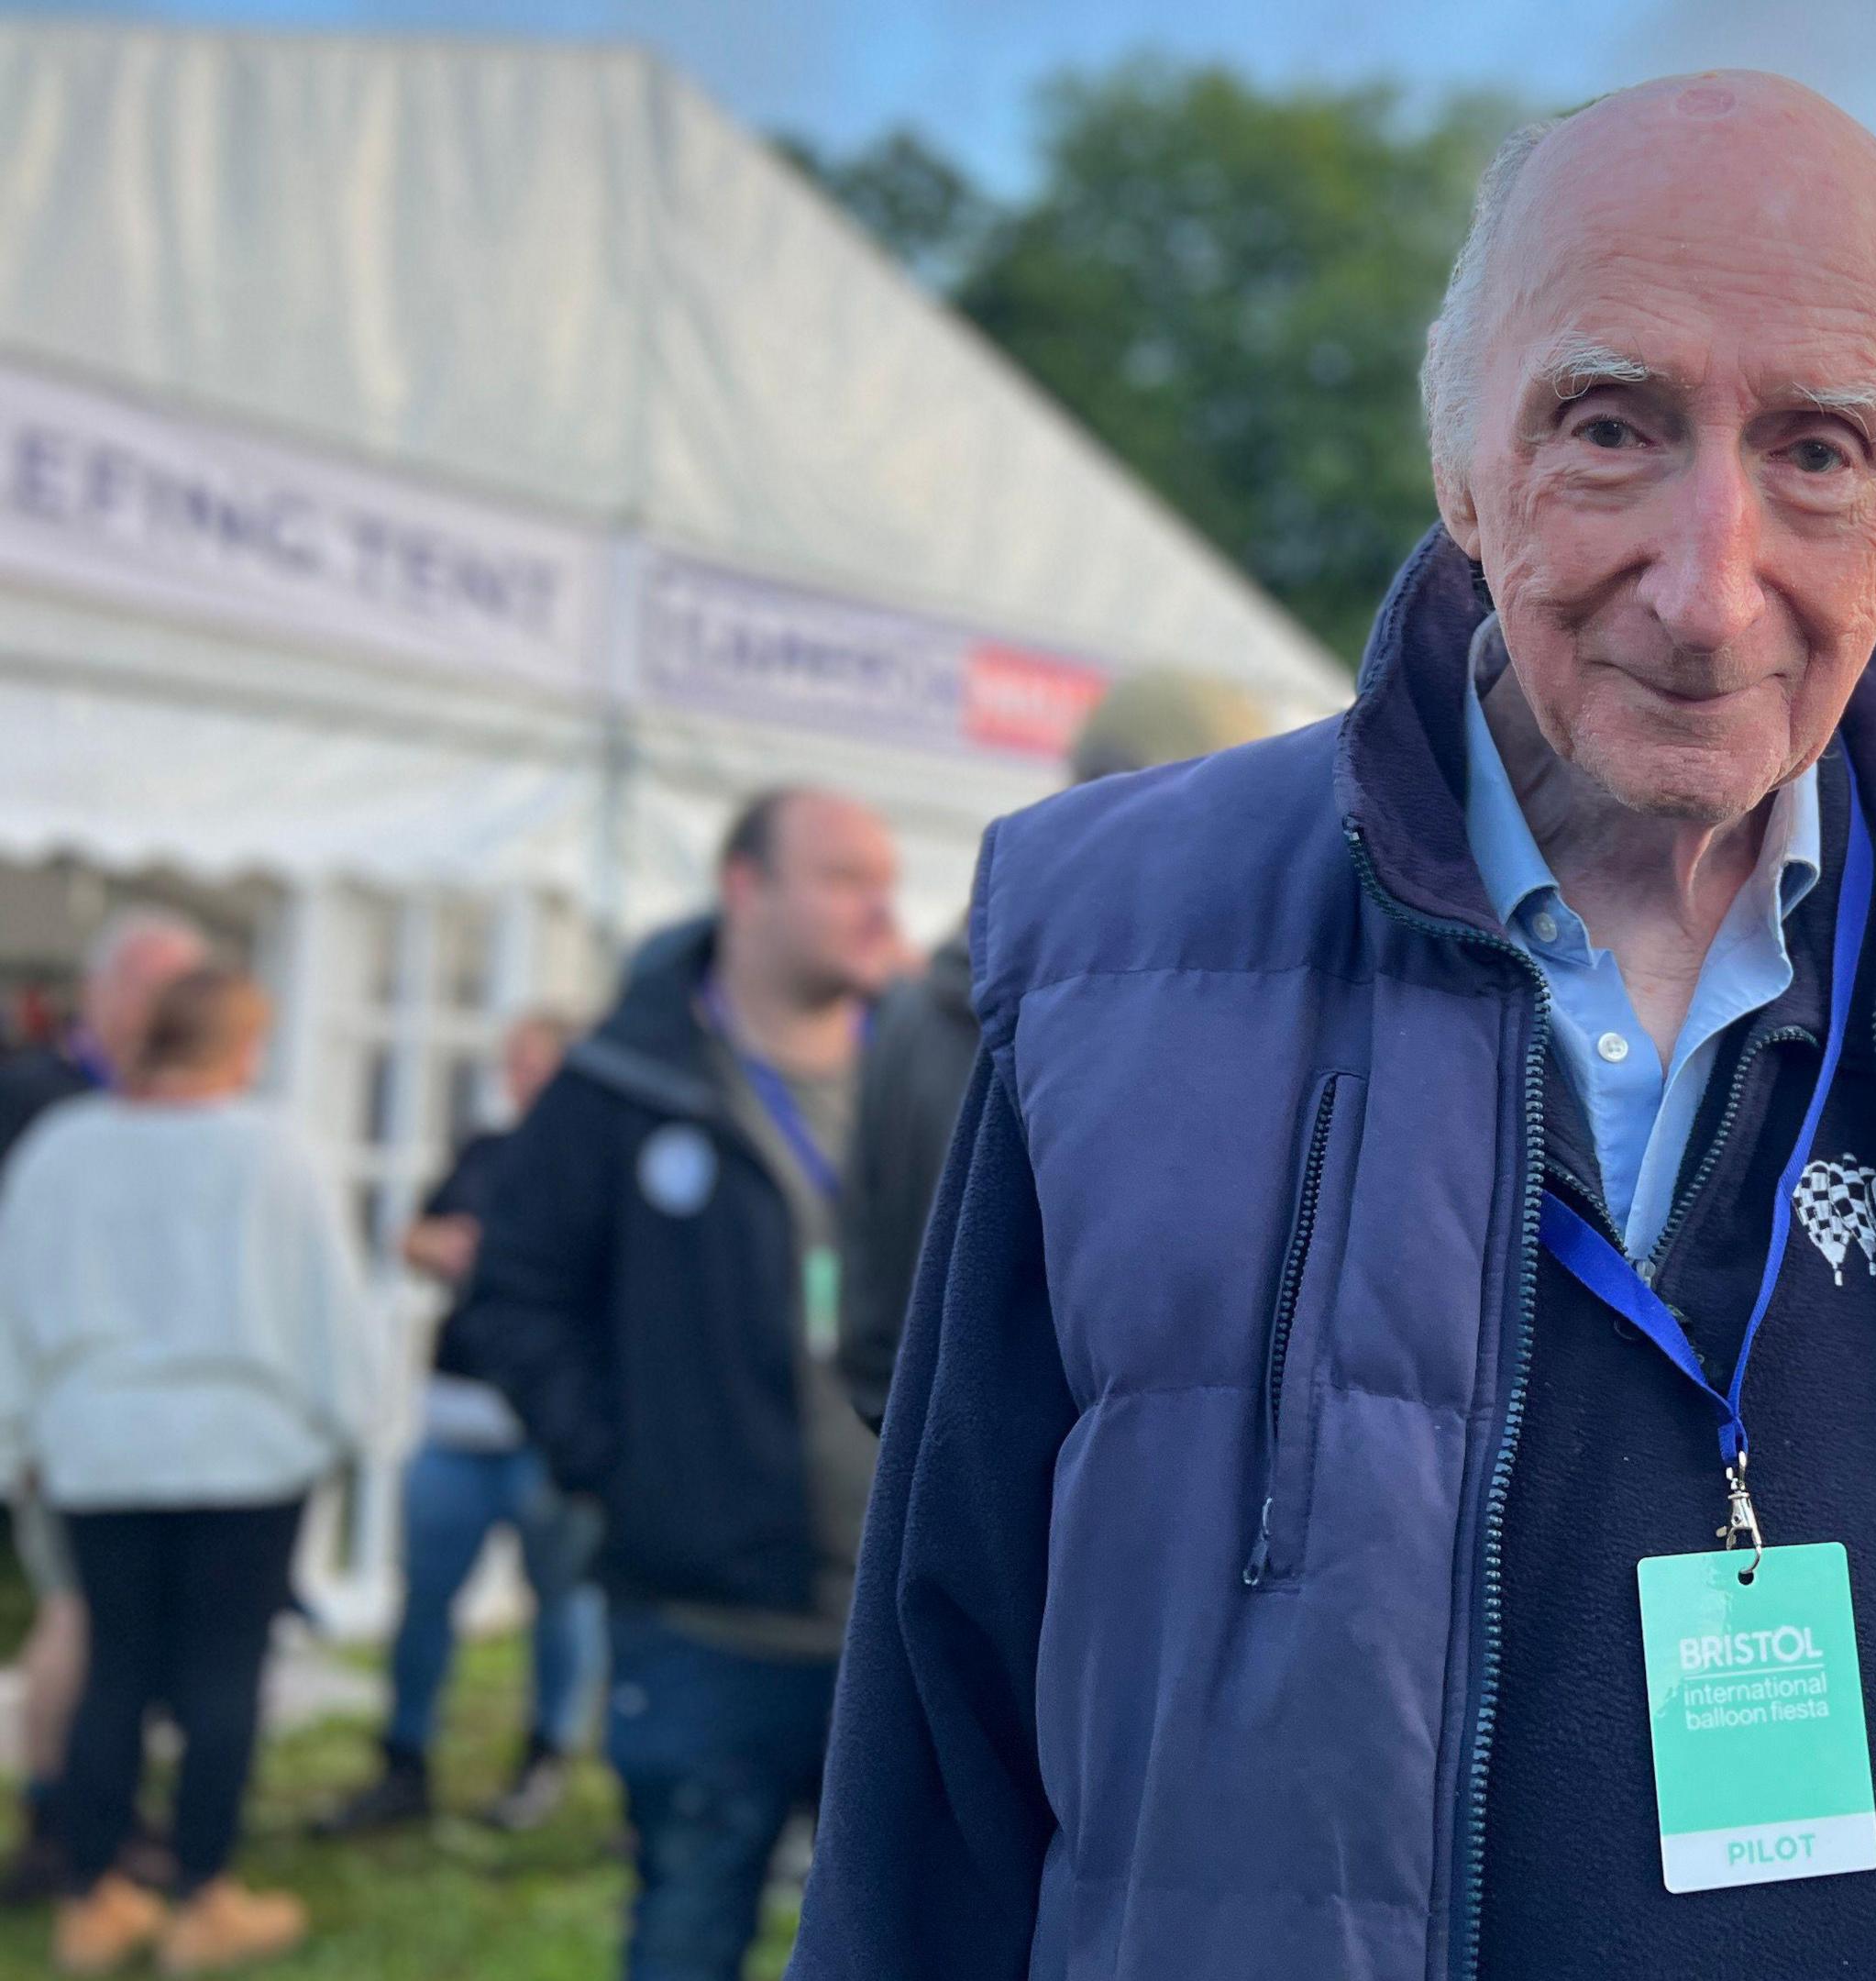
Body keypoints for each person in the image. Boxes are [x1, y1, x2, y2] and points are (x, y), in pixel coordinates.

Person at [788, 72, 1876, 1981]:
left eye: (1821, 452)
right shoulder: (1119, 955)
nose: (1707, 595)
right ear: (1461, 466)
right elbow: (933, 1785)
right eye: (1609, 429)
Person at [466, 789, 902, 1981]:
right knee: (688, 1929)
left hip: (901, 1622)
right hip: (708, 1619)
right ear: (745, 890)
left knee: (905, 1939)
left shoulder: (930, 1070)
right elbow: (512, 1296)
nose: (883, 907)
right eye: (846, 877)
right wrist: (622, 1466)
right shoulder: (621, 1083)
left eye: (886, 877)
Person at [0, 967, 383, 1974]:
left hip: (99, 1452)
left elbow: (13, 1303)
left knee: (114, 1671)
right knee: (224, 1675)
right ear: (242, 1045)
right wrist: (356, 1425)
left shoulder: (63, 1151)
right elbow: (330, 1305)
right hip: (248, 1453)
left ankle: (95, 1897)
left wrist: (18, 1438)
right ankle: (201, 1893)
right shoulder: (275, 1153)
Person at [836, 677, 1234, 1428]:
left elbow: (870, 1319)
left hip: (934, 1486)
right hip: (1093, 1504)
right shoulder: (1157, 1025)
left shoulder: (924, 1003)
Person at [315, 1013, 599, 1838]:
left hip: (543, 1429)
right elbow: (413, 1232)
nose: (518, 1079)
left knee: (562, 1601)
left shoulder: (592, 1163)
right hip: (456, 1415)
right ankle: (404, 1763)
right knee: (424, 1595)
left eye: (534, 1064)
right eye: (512, 1065)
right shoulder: (483, 1150)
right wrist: (441, 1244)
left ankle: (546, 1753)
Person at [0, 908, 209, 1905]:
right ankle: (56, 1821)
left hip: (151, 1423)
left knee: (127, 1633)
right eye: (171, 991)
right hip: (62, 1415)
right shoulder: (35, 1101)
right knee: (78, 1617)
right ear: (114, 992)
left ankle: (105, 1810)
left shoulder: (164, 1111)